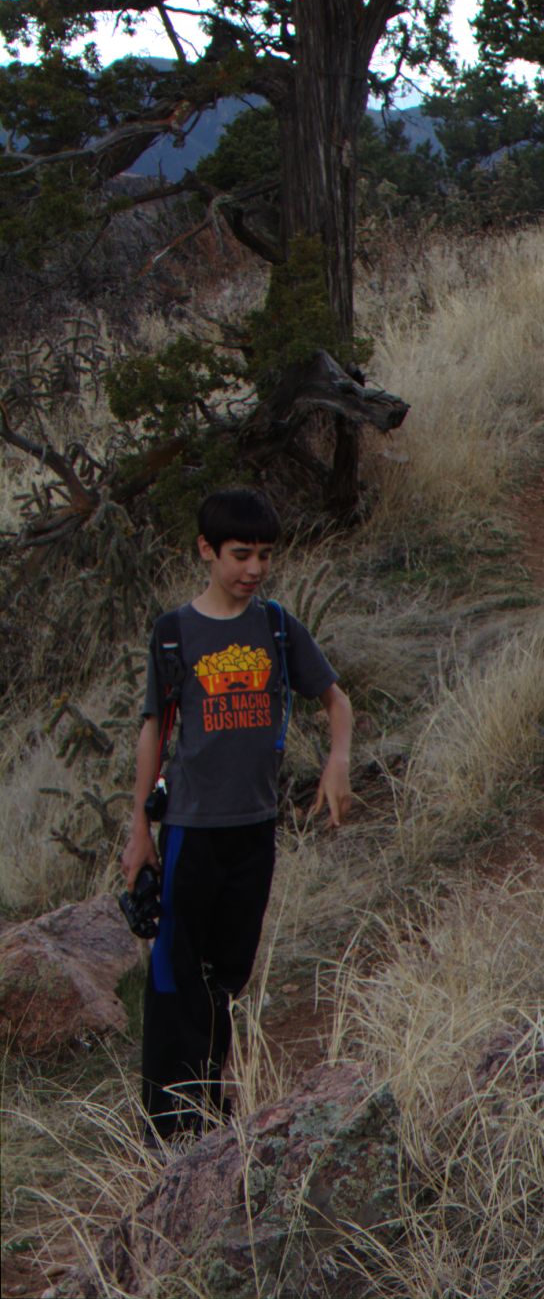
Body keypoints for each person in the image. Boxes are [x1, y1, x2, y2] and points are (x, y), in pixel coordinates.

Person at [120, 487, 353, 1141]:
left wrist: (337, 761)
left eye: (264, 556)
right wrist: (139, 828)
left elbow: (336, 701)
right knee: (173, 978)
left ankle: (209, 1110)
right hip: (191, 828)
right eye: (240, 555)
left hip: (255, 829)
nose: (253, 569)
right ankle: (169, 1132)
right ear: (206, 551)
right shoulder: (174, 634)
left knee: (224, 976)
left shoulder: (277, 626)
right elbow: (153, 733)